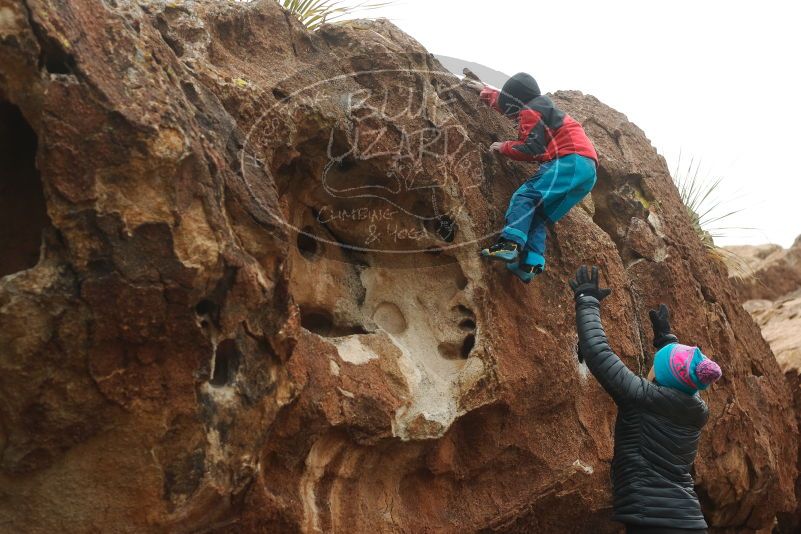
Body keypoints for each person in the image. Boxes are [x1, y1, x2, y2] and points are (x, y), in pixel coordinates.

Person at [569, 266, 723, 534]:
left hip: (653, 521)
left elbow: (598, 353)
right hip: (688, 521)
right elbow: (685, 380)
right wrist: (666, 340)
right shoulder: (695, 412)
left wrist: (587, 300)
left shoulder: (640, 397)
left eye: (657, 364)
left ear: (660, 373)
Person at [465, 73, 598, 283]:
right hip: (587, 172)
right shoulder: (541, 106)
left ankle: (509, 243)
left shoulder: (531, 110)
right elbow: (508, 103)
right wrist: (486, 91)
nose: (514, 119)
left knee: (525, 197)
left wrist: (504, 146)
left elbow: (532, 149)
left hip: (569, 161)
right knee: (539, 215)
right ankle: (531, 262)